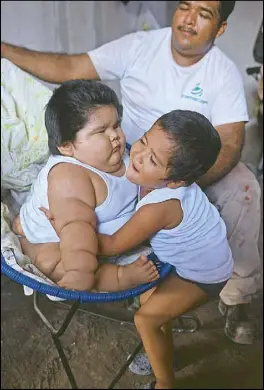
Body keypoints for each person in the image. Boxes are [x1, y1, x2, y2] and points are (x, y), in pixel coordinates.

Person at [1, 1, 261, 344]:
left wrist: (172, 183)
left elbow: (229, 143)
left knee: (245, 185)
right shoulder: (140, 47)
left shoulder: (222, 71)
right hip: (139, 161)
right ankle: (142, 294)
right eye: (185, 6)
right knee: (78, 237)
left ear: (220, 28)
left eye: (204, 13)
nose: (189, 18)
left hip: (182, 165)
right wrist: (4, 49)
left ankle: (239, 294)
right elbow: (72, 66)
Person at [41, 108, 234, 389]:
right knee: (150, 304)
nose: (139, 155)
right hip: (204, 252)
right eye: (143, 141)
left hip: (204, 274)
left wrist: (65, 224)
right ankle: (162, 353)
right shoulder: (153, 178)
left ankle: (165, 383)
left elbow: (109, 246)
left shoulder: (162, 206)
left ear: (176, 181)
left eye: (153, 160)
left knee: (145, 319)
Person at [12, 79, 159, 292]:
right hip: (54, 238)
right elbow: (75, 229)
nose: (115, 136)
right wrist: (79, 273)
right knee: (49, 263)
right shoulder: (70, 177)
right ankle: (120, 276)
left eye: (116, 125)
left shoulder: (126, 156)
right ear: (67, 147)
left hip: (104, 237)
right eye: (100, 131)